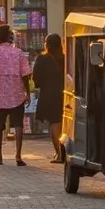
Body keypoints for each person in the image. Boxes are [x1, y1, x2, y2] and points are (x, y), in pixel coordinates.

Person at [0, 24, 34, 167]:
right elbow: (25, 76)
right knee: (18, 125)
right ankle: (18, 156)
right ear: (8, 37)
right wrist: (27, 93)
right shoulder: (19, 53)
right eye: (11, 33)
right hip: (16, 94)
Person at [32, 33, 66, 162]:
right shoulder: (66, 59)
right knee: (63, 124)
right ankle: (63, 151)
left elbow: (36, 80)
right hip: (65, 94)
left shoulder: (41, 59)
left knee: (54, 124)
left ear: (47, 45)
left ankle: (59, 153)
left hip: (48, 95)